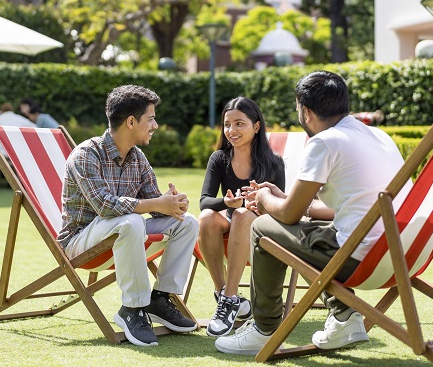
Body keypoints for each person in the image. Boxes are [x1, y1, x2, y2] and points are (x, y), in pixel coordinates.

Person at [215, 71, 409, 355]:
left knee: (262, 227)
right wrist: (284, 198)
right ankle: (344, 316)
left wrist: (265, 198)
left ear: (305, 111)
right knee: (311, 235)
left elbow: (288, 216)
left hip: (362, 258)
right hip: (402, 253)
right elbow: (319, 206)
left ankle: (264, 329)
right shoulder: (378, 136)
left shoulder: (324, 142)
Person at [58, 85, 199, 347]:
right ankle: (132, 309)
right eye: (151, 119)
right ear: (131, 122)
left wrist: (172, 205)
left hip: (121, 235)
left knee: (187, 223)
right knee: (132, 221)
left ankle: (160, 299)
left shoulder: (137, 157)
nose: (155, 125)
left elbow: (154, 206)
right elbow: (104, 206)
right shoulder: (86, 154)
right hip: (81, 242)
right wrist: (156, 203)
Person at [198, 97, 285, 338]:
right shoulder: (219, 159)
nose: (231, 130)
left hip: (262, 229)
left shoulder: (274, 163)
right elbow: (205, 200)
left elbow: (281, 208)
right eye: (227, 124)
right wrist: (226, 203)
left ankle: (228, 297)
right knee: (206, 217)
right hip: (230, 220)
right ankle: (225, 296)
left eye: (239, 124)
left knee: (243, 214)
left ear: (256, 126)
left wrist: (260, 202)